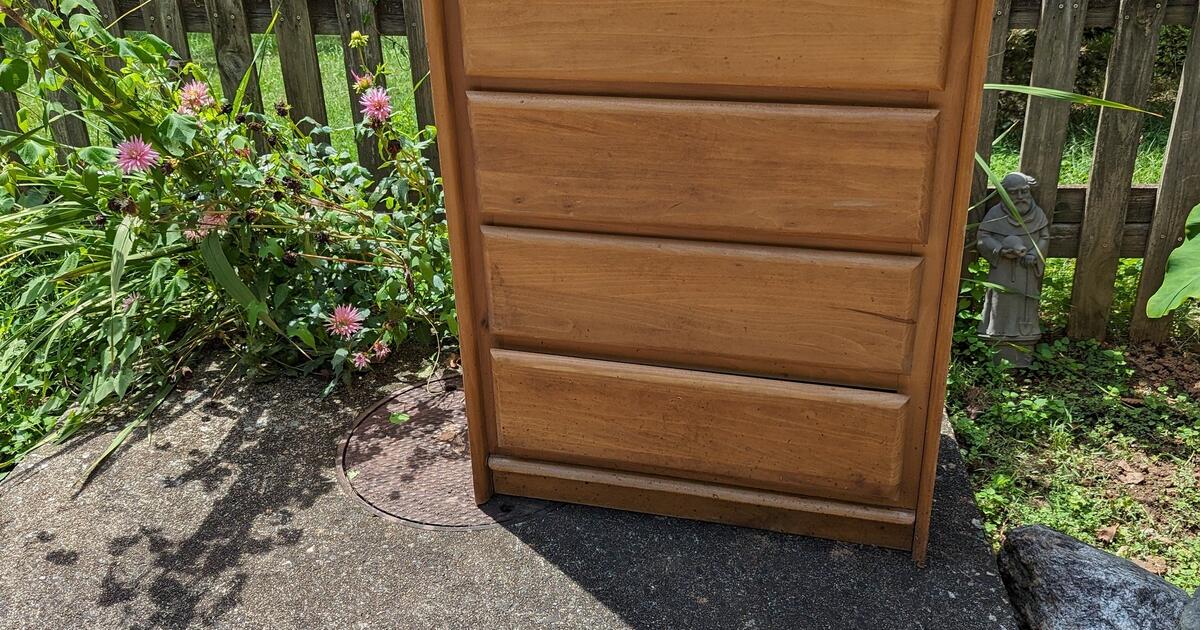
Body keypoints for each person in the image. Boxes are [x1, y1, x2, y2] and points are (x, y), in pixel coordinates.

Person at [976, 172, 1050, 366]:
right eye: (1014, 193)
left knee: (1025, 305)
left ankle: (1024, 350)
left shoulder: (1038, 215)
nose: (1020, 197)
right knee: (1000, 303)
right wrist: (999, 249)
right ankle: (996, 343)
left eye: (1024, 192)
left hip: (1026, 272)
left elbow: (1044, 237)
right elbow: (983, 236)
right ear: (1004, 194)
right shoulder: (995, 215)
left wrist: (1034, 255)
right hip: (1001, 271)